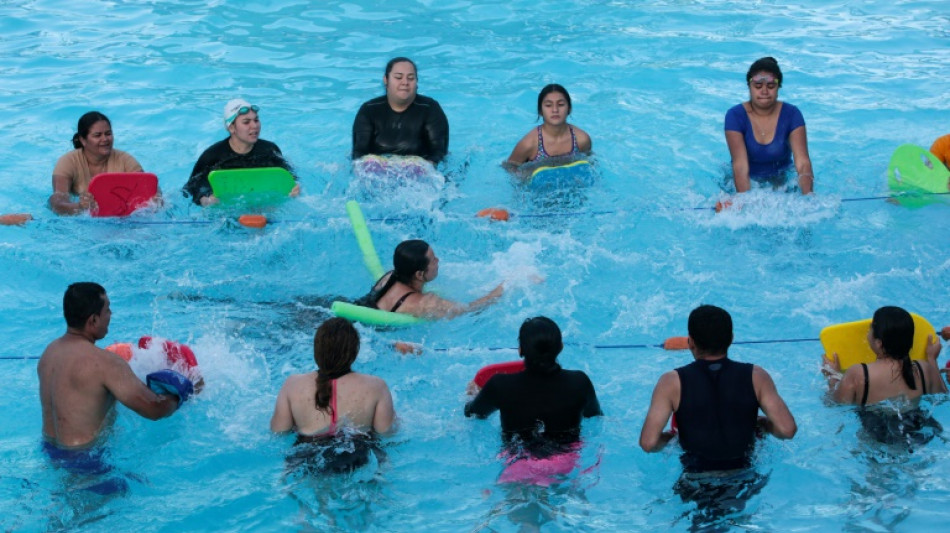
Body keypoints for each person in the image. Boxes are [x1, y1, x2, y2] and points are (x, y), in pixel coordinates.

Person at [639, 305, 796, 524]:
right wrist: (764, 425)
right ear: (731, 338)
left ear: (690, 342)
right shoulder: (756, 375)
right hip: (743, 476)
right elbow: (787, 430)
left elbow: (648, 443)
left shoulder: (671, 381)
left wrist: (671, 438)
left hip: (695, 479)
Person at [38, 283, 195, 492]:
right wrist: (179, 394)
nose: (111, 314)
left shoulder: (49, 353)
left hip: (51, 453)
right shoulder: (105, 363)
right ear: (93, 320)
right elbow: (154, 409)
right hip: (87, 462)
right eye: (107, 309)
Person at [464, 317, 602, 484]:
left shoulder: (500, 385)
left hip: (518, 464)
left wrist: (471, 395)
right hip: (567, 463)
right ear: (561, 347)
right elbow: (594, 416)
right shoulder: (580, 382)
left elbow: (474, 413)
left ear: (520, 350)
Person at [270, 317, 395, 473]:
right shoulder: (376, 386)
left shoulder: (292, 384)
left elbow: (279, 431)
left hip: (308, 455)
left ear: (316, 350)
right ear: (354, 352)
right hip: (357, 454)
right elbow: (387, 433)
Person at [824, 306, 946, 446]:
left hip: (878, 433)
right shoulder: (922, 368)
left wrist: (832, 376)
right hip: (918, 427)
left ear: (878, 343)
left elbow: (833, 404)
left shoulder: (859, 374)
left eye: (871, 328)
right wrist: (932, 359)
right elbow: (942, 397)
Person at [183, 98, 299, 206]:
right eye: (246, 122)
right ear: (231, 128)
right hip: (228, 206)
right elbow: (191, 188)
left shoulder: (269, 150)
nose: (254, 126)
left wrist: (294, 189)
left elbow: (290, 176)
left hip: (262, 204)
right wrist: (204, 199)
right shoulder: (213, 155)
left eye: (256, 120)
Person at [724, 57, 814, 194]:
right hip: (745, 180)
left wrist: (808, 196)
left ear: (779, 87)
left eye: (771, 86)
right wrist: (745, 200)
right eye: (758, 86)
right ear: (749, 87)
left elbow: (803, 163)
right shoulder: (735, 116)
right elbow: (740, 166)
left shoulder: (792, 115)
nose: (764, 91)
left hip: (780, 180)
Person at [360, 239, 504, 319]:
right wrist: (505, 286)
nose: (438, 260)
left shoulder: (390, 276)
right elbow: (469, 310)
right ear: (419, 274)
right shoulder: (425, 303)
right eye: (433, 260)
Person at [351, 57, 449, 164]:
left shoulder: (430, 109)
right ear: (386, 80)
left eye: (411, 78)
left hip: (419, 172)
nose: (405, 82)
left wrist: (423, 168)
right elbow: (359, 154)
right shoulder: (369, 110)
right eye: (398, 77)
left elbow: (439, 153)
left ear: (416, 82)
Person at [49, 111, 147, 215]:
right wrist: (79, 207)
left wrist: (155, 200)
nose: (105, 139)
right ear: (83, 140)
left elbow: (148, 188)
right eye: (97, 135)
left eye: (108, 134)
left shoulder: (125, 160)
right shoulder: (68, 162)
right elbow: (57, 202)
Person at [506, 84, 592, 166]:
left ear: (569, 109)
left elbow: (588, 164)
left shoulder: (581, 140)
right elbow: (510, 166)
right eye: (548, 105)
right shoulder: (529, 144)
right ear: (540, 111)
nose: (555, 110)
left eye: (561, 104)